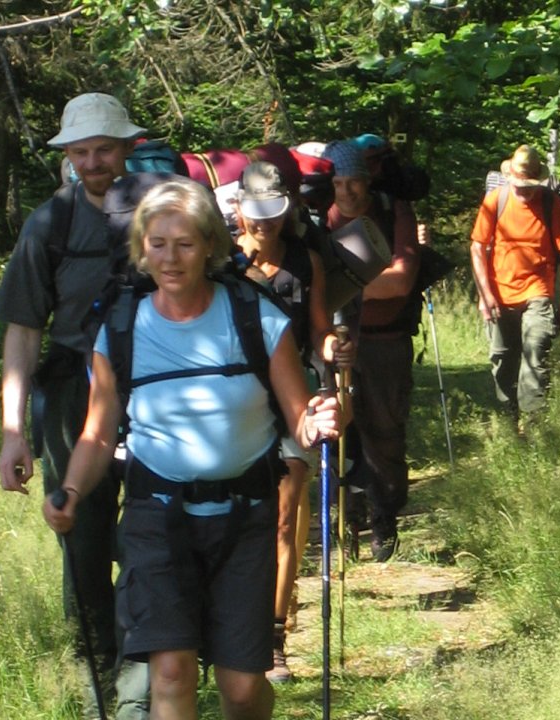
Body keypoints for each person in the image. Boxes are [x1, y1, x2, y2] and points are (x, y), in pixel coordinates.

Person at [43, 180, 340, 719]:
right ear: (141, 248)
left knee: (242, 688)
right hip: (156, 518)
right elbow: (99, 432)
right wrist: (70, 491)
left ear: (209, 245)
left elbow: (299, 418)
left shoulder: (255, 316)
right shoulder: (121, 326)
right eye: (157, 244)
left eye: (184, 244)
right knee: (171, 671)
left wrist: (318, 421)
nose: (170, 258)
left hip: (245, 517)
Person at [0, 92, 150, 719]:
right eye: (80, 151)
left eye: (103, 149)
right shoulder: (48, 224)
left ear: (127, 148)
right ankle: (97, 683)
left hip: (154, 388)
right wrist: (13, 431)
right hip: (71, 395)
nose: (91, 162)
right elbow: (24, 330)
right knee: (79, 534)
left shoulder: (159, 209)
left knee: (152, 535)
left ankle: (143, 685)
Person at [232, 160, 355, 682]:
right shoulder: (222, 261)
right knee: (241, 520)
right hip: (237, 398)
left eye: (273, 212)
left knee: (285, 516)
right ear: (239, 209)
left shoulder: (307, 262)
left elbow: (320, 327)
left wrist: (333, 346)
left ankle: (273, 635)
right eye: (256, 212)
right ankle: (234, 624)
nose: (264, 222)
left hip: (296, 395)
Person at [322, 140, 420, 563]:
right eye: (337, 184)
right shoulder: (320, 218)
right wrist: (365, 281)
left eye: (353, 182)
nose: (346, 192)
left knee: (385, 432)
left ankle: (385, 517)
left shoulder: (393, 212)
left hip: (385, 342)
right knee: (337, 431)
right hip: (334, 342)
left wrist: (336, 284)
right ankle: (348, 517)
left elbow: (401, 281)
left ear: (368, 181)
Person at [470, 144, 560, 424]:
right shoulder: (495, 200)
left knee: (535, 354)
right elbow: (477, 248)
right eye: (519, 183)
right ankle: (509, 422)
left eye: (529, 185)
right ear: (509, 177)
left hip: (538, 292)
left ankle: (533, 426)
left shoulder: (550, 204)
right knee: (502, 360)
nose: (523, 190)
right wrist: (485, 295)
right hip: (499, 294)